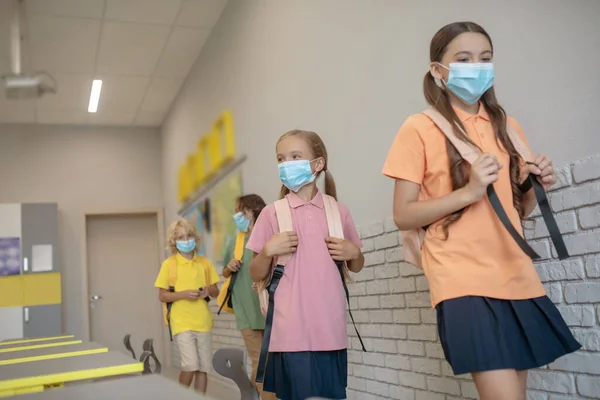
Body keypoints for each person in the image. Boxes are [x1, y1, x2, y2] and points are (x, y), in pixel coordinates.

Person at [382, 21, 580, 399]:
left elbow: (514, 210)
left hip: (516, 273)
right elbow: (403, 215)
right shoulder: (419, 128)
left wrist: (536, 186)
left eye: (485, 58)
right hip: (462, 279)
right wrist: (469, 190)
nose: (477, 66)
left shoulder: (507, 125)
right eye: (463, 58)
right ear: (438, 70)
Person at [247, 130, 364, 400]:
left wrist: (352, 252)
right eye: (280, 159)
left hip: (331, 332)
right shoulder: (271, 213)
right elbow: (255, 272)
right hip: (290, 334)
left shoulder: (338, 211)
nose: (286, 164)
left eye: (295, 156)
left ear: (318, 164)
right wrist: (267, 251)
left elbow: (356, 265)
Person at [154, 219, 220, 394]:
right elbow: (162, 295)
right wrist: (183, 294)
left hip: (203, 321)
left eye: (188, 235)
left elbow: (216, 291)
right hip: (181, 322)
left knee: (203, 368)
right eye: (181, 237)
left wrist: (208, 290)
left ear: (195, 238)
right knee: (190, 365)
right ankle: (179, 396)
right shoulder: (169, 265)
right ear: (174, 242)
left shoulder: (205, 263)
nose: (186, 240)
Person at [222, 194, 277, 400]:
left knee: (273, 360)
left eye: (239, 211)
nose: (236, 215)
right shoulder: (235, 241)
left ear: (251, 210)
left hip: (268, 307)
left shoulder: (269, 236)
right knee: (258, 360)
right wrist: (228, 267)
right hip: (245, 308)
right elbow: (225, 273)